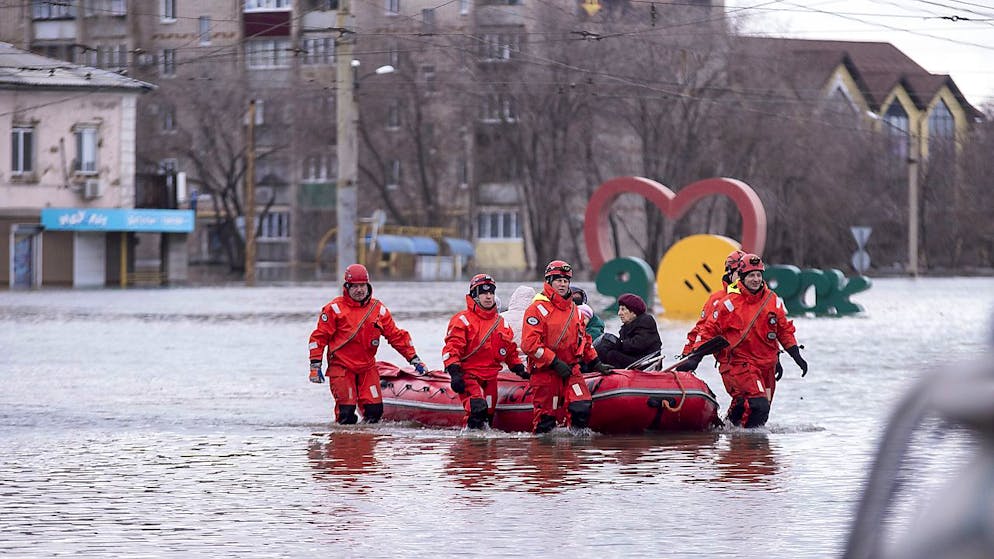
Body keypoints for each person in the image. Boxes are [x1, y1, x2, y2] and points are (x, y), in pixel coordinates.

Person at [679, 254, 808, 428]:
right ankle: (746, 444)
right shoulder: (727, 303)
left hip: (766, 364)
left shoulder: (772, 301)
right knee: (758, 405)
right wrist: (693, 356)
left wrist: (794, 355)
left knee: (759, 410)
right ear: (741, 276)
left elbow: (782, 330)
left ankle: (733, 437)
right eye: (751, 275)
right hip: (740, 363)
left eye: (758, 275)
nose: (755, 279)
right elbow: (706, 330)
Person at [308, 263, 428, 425]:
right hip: (342, 368)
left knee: (375, 411)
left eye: (362, 285)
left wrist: (414, 359)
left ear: (368, 286)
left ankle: (365, 447)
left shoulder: (378, 310)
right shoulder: (334, 309)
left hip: (367, 367)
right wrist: (315, 365)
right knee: (347, 413)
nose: (359, 290)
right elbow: (318, 338)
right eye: (355, 286)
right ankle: (343, 447)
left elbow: (396, 336)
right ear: (347, 287)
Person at [521, 260, 612, 433]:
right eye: (558, 280)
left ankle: (574, 456)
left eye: (565, 281)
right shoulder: (536, 309)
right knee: (545, 421)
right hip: (546, 373)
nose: (562, 284)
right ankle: (545, 457)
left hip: (571, 370)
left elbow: (583, 340)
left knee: (581, 407)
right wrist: (554, 362)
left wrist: (596, 363)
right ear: (549, 281)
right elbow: (530, 344)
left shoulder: (574, 310)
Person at [442, 274, 528, 429]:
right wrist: (455, 374)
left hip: (491, 378)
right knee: (477, 409)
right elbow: (451, 349)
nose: (488, 297)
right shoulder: (462, 321)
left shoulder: (501, 323)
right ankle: (469, 448)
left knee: (488, 414)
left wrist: (521, 370)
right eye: (484, 293)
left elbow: (510, 352)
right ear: (475, 295)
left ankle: (484, 450)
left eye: (491, 293)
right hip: (469, 375)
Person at [681, 249, 745, 357]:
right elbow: (702, 328)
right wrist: (688, 354)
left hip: (761, 360)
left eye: (746, 274)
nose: (743, 278)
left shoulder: (762, 298)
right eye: (739, 273)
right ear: (730, 273)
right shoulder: (717, 299)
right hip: (733, 361)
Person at [595, 293, 662, 368]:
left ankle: (614, 376)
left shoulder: (646, 321)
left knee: (613, 355)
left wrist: (616, 343)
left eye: (623, 309)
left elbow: (638, 345)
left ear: (634, 312)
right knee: (605, 347)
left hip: (646, 362)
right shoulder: (625, 327)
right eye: (619, 309)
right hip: (634, 360)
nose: (619, 313)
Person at [501, 285, 537, 349]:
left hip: (508, 356)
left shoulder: (501, 318)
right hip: (528, 356)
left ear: (513, 298)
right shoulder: (535, 320)